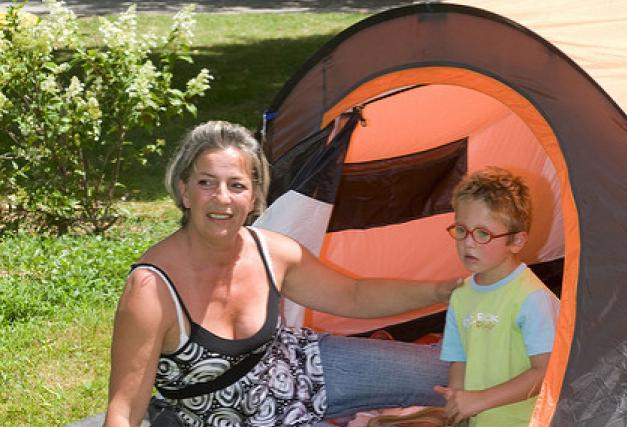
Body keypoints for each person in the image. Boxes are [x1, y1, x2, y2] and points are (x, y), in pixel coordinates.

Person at [103, 120, 461, 427]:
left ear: (255, 197)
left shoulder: (271, 251)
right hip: (233, 417)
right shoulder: (151, 289)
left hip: (306, 370)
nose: (222, 198)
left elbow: (354, 295)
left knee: (455, 375)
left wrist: (442, 291)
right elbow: (125, 409)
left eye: (237, 185)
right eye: (206, 183)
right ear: (184, 192)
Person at [434, 167, 560, 426]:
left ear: (516, 241)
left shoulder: (531, 298)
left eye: (483, 234)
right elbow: (459, 359)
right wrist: (457, 402)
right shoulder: (460, 295)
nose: (468, 243)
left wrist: (481, 399)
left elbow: (546, 372)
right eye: (461, 229)